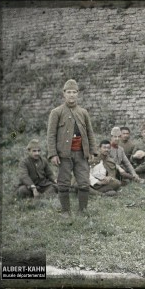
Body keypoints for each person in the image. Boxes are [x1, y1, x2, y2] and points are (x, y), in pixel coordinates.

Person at [47, 79, 97, 218]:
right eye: (69, 92)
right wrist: (53, 154)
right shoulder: (56, 112)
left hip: (81, 153)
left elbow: (90, 133)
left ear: (78, 94)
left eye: (74, 92)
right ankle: (65, 211)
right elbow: (51, 135)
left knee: (84, 182)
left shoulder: (83, 112)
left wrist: (92, 151)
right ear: (64, 94)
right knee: (63, 183)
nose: (71, 95)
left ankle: (83, 210)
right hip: (64, 155)